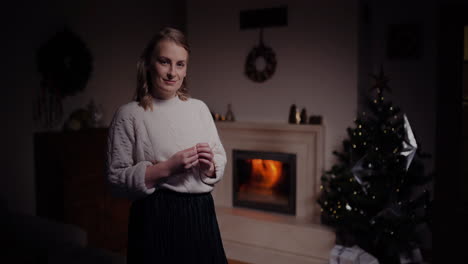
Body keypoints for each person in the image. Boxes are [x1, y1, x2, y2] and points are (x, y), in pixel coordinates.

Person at [106, 27, 228, 264]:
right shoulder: (128, 114)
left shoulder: (199, 109)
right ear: (149, 64)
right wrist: (167, 168)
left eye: (180, 64)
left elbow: (219, 157)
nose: (173, 72)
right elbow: (115, 180)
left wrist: (209, 167)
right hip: (154, 217)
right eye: (165, 62)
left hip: (201, 214)